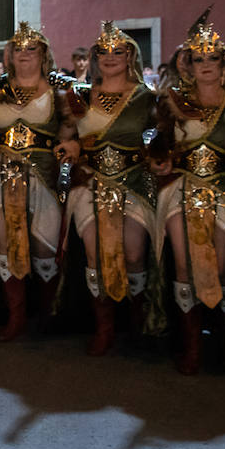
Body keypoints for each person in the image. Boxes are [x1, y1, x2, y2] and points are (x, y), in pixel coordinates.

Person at [149, 12, 225, 376]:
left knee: (221, 267)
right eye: (197, 58)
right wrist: (158, 160)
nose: (205, 64)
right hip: (181, 188)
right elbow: (154, 139)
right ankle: (192, 346)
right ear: (187, 64)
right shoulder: (170, 102)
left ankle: (222, 337)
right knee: (184, 264)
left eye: (212, 58)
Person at [53, 22, 160, 355]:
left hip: (134, 182)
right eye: (103, 52)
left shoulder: (147, 98)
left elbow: (160, 141)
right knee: (94, 252)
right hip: (90, 182)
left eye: (118, 51)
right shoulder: (80, 95)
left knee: (133, 254)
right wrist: (70, 146)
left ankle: (137, 321)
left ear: (130, 56)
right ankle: (104, 328)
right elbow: (67, 135)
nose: (110, 57)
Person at [0, 22, 71, 342]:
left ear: (44, 54)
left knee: (45, 245)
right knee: (6, 241)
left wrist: (72, 147)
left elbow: (74, 132)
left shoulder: (61, 91)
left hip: (44, 176)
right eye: (18, 48)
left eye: (32, 48)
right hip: (2, 176)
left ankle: (47, 314)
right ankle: (15, 316)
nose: (24, 54)